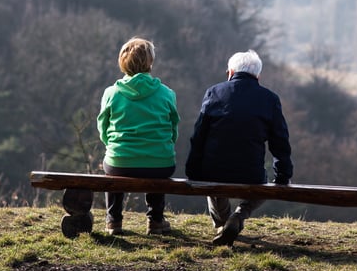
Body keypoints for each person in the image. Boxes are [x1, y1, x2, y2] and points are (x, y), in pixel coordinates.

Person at [185, 49, 292, 246]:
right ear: (257, 76)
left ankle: (223, 223)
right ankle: (239, 216)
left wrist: (193, 170)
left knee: (212, 182)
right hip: (250, 173)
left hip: (214, 172)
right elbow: (280, 141)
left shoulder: (214, 92)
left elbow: (199, 136)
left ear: (230, 73)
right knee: (264, 184)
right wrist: (283, 175)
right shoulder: (270, 99)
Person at [97, 37, 179, 236]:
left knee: (112, 168)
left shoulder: (111, 93)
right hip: (161, 161)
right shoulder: (166, 93)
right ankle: (156, 221)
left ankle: (113, 220)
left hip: (120, 160)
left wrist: (116, 147)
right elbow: (173, 129)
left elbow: (103, 128)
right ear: (150, 62)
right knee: (157, 163)